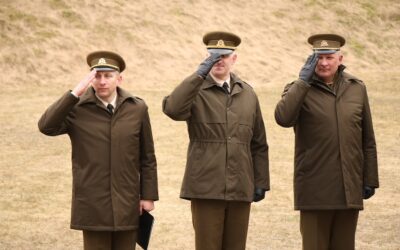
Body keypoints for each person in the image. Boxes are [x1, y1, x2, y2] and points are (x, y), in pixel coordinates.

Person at [38, 51, 158, 250]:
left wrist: (148, 196)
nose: (102, 81)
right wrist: (74, 93)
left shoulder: (137, 108)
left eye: (108, 76)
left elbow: (147, 156)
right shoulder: (76, 108)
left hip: (127, 202)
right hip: (92, 203)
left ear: (119, 79)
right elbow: (46, 126)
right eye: (97, 75)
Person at [162, 31, 270, 250]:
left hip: (240, 185)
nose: (218, 60)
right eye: (212, 55)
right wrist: (198, 75)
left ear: (234, 58)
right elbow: (173, 109)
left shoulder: (248, 93)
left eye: (223, 55)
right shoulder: (194, 90)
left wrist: (260, 182)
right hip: (206, 186)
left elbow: (258, 142)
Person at [275, 34, 379, 250]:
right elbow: (283, 118)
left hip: (349, 189)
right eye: (318, 57)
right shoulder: (298, 88)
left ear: (340, 59)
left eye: (329, 57)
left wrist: (369, 178)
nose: (323, 63)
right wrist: (303, 81)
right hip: (315, 190)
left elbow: (367, 138)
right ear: (311, 60)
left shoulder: (356, 88)